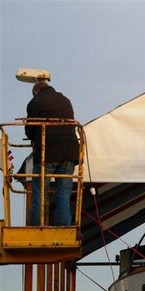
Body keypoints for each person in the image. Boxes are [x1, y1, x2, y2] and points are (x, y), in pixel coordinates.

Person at [25, 81, 79, 226]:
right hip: (69, 152)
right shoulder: (65, 100)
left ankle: (37, 229)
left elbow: (29, 130)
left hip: (46, 152)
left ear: (36, 91)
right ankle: (63, 229)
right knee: (63, 194)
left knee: (40, 194)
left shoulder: (35, 102)